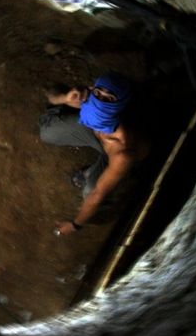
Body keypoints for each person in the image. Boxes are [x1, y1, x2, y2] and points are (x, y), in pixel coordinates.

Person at [39, 74, 149, 236]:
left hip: (115, 153)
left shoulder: (123, 151)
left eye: (109, 98)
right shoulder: (91, 100)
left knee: (91, 191)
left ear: (119, 104)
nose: (100, 101)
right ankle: (92, 170)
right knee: (48, 132)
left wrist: (75, 225)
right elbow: (51, 94)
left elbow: (97, 195)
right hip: (101, 136)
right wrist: (64, 97)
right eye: (98, 93)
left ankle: (96, 173)